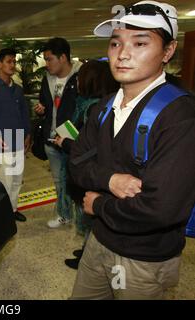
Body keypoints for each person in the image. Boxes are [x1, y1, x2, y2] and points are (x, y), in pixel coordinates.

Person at [69, 1, 195, 299]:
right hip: (99, 241)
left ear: (168, 51)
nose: (122, 54)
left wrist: (98, 204)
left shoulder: (180, 116)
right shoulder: (103, 108)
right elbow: (76, 165)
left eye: (140, 43)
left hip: (143, 258)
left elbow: (159, 209)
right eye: (115, 43)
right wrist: (111, 180)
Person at [52, 60, 119, 269]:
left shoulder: (93, 108)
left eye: (81, 78)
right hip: (93, 172)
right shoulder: (99, 103)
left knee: (90, 218)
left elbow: (92, 148)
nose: (78, 82)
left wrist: (67, 143)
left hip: (91, 173)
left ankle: (87, 259)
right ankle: (85, 250)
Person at [33, 37, 82, 228]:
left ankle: (82, 220)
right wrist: (42, 108)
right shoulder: (48, 79)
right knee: (58, 181)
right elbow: (45, 102)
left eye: (49, 59)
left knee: (76, 181)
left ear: (63, 57)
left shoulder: (80, 77)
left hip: (72, 141)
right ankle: (64, 214)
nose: (46, 64)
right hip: (52, 140)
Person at [0, 48, 31, 222]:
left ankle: (13, 208)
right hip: (3, 142)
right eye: (9, 61)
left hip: (18, 139)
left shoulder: (17, 90)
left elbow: (25, 114)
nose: (12, 65)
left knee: (17, 179)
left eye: (14, 61)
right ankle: (5, 213)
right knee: (6, 180)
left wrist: (27, 135)